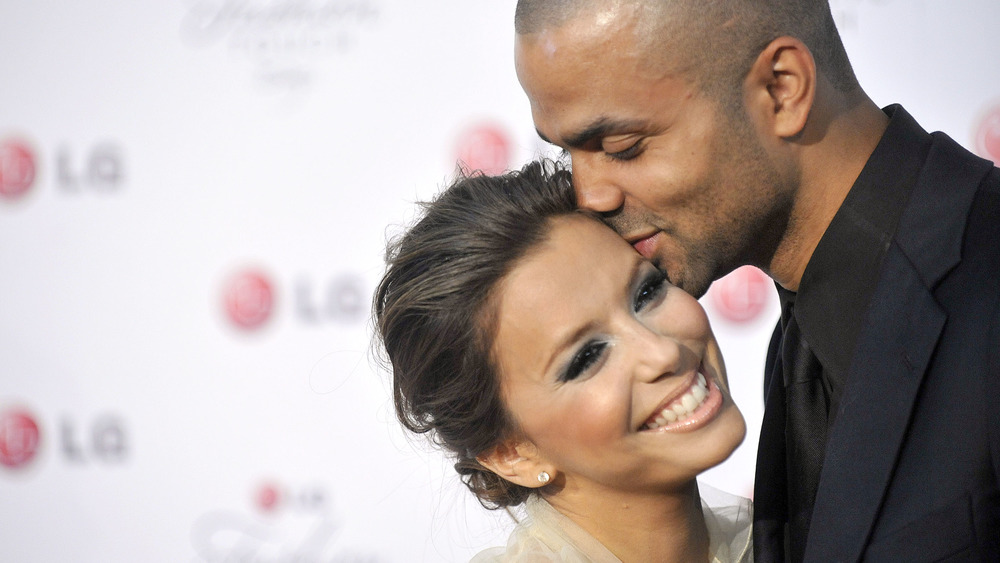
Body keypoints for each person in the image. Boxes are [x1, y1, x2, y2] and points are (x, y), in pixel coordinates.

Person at [512, 1, 1000, 561]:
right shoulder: (803, 334)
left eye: (624, 147)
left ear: (782, 89)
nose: (588, 195)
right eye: (566, 153)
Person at [374, 161, 752, 561]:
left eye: (647, 292)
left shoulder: (792, 536)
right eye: (587, 357)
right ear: (511, 453)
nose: (662, 352)